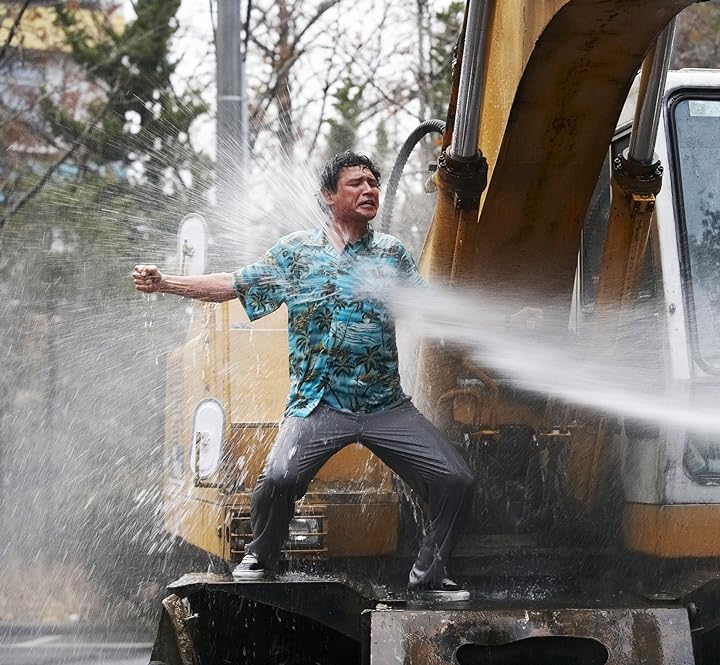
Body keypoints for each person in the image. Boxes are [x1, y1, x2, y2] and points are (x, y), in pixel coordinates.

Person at [133, 151, 475, 601]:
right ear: (329, 196)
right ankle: (261, 554)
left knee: (456, 480)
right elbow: (232, 284)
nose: (369, 189)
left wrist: (503, 326)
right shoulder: (296, 253)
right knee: (278, 479)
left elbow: (430, 309)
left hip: (385, 405)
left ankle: (429, 577)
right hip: (317, 404)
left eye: (373, 183)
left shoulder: (390, 253)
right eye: (356, 183)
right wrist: (166, 284)